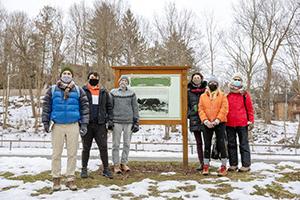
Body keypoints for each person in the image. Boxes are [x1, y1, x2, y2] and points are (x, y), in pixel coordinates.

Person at [42, 67, 89, 191]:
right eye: (64, 73)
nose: (67, 75)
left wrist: (84, 124)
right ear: (61, 75)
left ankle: (70, 178)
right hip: (57, 125)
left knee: (72, 153)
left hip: (73, 125)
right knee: (56, 153)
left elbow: (85, 108)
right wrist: (45, 122)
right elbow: (46, 107)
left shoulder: (78, 90)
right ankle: (56, 178)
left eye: (69, 73)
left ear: (72, 76)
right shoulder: (52, 90)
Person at [80, 72, 113, 179]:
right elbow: (79, 106)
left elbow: (109, 106)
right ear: (88, 79)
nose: (94, 79)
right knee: (86, 148)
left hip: (100, 124)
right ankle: (84, 169)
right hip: (87, 124)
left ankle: (106, 169)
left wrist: (110, 120)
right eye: (92, 78)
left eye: (96, 78)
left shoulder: (103, 92)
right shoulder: (83, 91)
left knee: (103, 147)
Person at [198, 75, 229, 176]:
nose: (212, 84)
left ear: (217, 84)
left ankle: (223, 166)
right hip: (207, 123)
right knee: (207, 144)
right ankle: (206, 166)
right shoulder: (203, 96)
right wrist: (205, 120)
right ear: (208, 84)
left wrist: (217, 120)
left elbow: (224, 109)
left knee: (221, 144)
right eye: (211, 83)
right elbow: (201, 109)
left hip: (220, 123)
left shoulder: (222, 95)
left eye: (214, 83)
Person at [110, 75, 139, 174]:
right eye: (122, 80)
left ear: (128, 83)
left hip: (129, 122)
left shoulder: (132, 93)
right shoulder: (113, 92)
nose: (123, 82)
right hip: (116, 121)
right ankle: (116, 164)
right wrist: (109, 120)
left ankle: (124, 163)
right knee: (116, 144)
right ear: (119, 82)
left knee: (127, 143)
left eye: (125, 81)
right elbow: (110, 106)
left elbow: (135, 107)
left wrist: (136, 121)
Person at [226, 73, 254, 172]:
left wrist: (251, 121)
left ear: (241, 82)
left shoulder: (244, 94)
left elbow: (250, 109)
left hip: (242, 123)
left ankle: (246, 165)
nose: (236, 81)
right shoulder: (227, 94)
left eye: (238, 79)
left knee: (244, 144)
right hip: (229, 124)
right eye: (235, 79)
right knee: (231, 144)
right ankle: (233, 164)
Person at [187, 72, 207, 171]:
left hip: (206, 119)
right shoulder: (188, 91)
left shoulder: (207, 90)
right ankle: (201, 163)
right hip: (194, 119)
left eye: (198, 77)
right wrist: (190, 113)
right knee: (199, 142)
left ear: (201, 79)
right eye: (194, 78)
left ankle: (207, 162)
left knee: (207, 142)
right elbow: (186, 104)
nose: (196, 79)